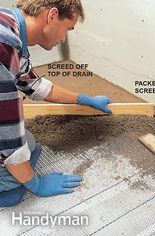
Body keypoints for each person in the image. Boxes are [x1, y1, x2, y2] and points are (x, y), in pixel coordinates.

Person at [0, 0, 112, 207]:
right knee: (14, 174)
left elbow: (32, 83)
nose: (64, 38)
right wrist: (36, 184)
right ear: (52, 16)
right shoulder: (3, 47)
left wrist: (84, 99)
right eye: (68, 28)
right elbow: (6, 133)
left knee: (29, 143)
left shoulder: (9, 27)